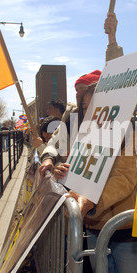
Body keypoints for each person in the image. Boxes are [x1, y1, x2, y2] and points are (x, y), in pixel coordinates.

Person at [54, 83, 137, 273]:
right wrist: (64, 172)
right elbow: (83, 174)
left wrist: (93, 201)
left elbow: (124, 178)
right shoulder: (84, 136)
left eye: (94, 105)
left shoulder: (132, 132)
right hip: (96, 229)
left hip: (126, 233)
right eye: (85, 106)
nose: (88, 111)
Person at [38, 11, 124, 178]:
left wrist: (112, 39)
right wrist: (48, 159)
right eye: (76, 90)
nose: (78, 94)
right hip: (75, 189)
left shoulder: (114, 116)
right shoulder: (72, 118)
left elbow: (118, 74)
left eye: (83, 89)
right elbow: (54, 143)